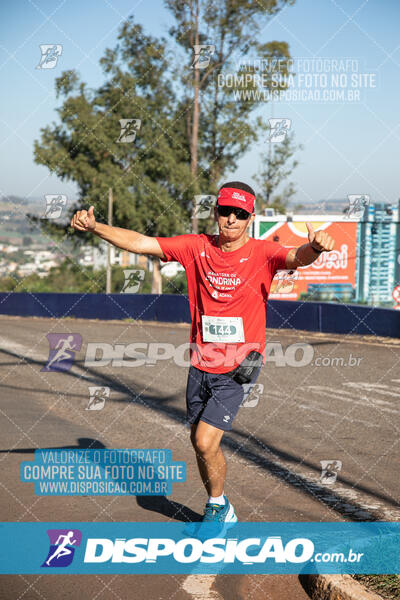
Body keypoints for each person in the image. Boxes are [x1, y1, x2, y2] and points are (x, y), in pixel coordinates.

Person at [71, 181, 335, 524]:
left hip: (241, 364)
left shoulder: (262, 253)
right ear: (216, 213)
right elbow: (141, 242)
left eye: (240, 214)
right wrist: (95, 227)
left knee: (205, 440)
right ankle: (219, 503)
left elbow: (296, 258)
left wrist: (314, 248)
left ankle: (217, 509)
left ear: (250, 218)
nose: (231, 220)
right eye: (226, 211)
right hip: (200, 362)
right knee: (200, 444)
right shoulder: (196, 247)